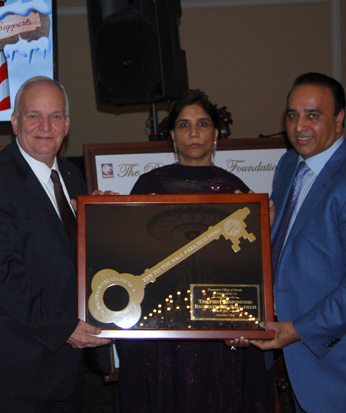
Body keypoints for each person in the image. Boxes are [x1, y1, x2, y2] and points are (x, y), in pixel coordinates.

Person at [250, 72, 346, 412]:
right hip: (296, 350)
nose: (299, 126)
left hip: (343, 358)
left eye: (313, 115)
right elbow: (290, 245)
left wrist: (298, 329)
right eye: (292, 115)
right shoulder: (290, 163)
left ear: (338, 120)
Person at [116, 90, 276, 413]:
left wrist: (264, 229)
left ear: (216, 133)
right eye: (184, 124)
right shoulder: (148, 186)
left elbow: (247, 268)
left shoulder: (238, 191)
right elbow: (131, 254)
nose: (193, 132)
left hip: (216, 324)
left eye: (202, 124)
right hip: (162, 324)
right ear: (172, 134)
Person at [0, 76, 110, 412]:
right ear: (15, 122)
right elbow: (3, 275)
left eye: (55, 116)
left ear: (67, 124)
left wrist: (102, 218)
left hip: (63, 364)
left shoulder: (71, 175)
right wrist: (65, 328)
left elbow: (66, 254)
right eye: (33, 116)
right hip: (12, 369)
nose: (45, 126)